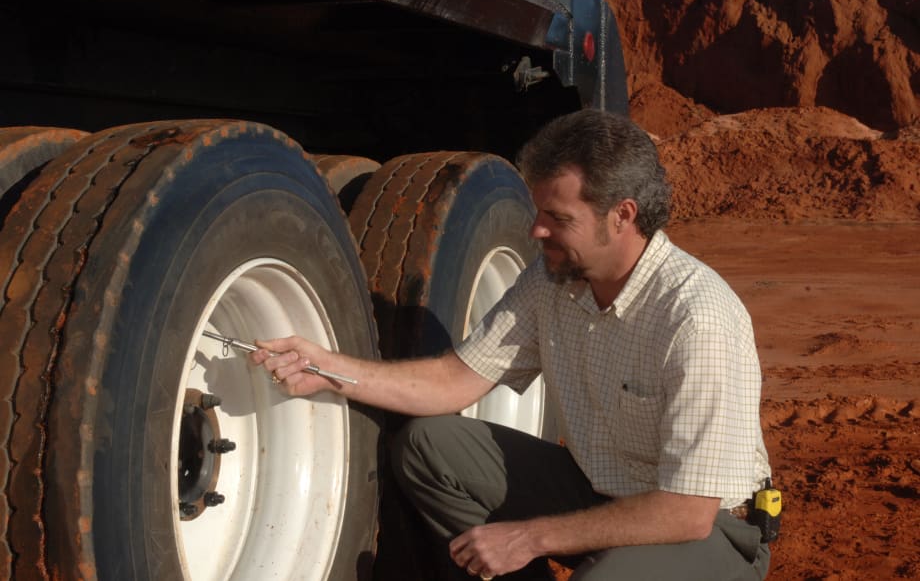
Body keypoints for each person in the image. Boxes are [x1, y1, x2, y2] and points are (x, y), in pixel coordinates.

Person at [252, 109, 773, 580]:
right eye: (539, 212)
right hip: (601, 491)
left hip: (707, 530)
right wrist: (329, 371)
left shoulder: (697, 318)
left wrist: (529, 537)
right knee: (429, 446)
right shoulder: (552, 282)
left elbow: (687, 511)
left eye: (559, 219)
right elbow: (453, 380)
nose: (536, 230)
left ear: (623, 216)